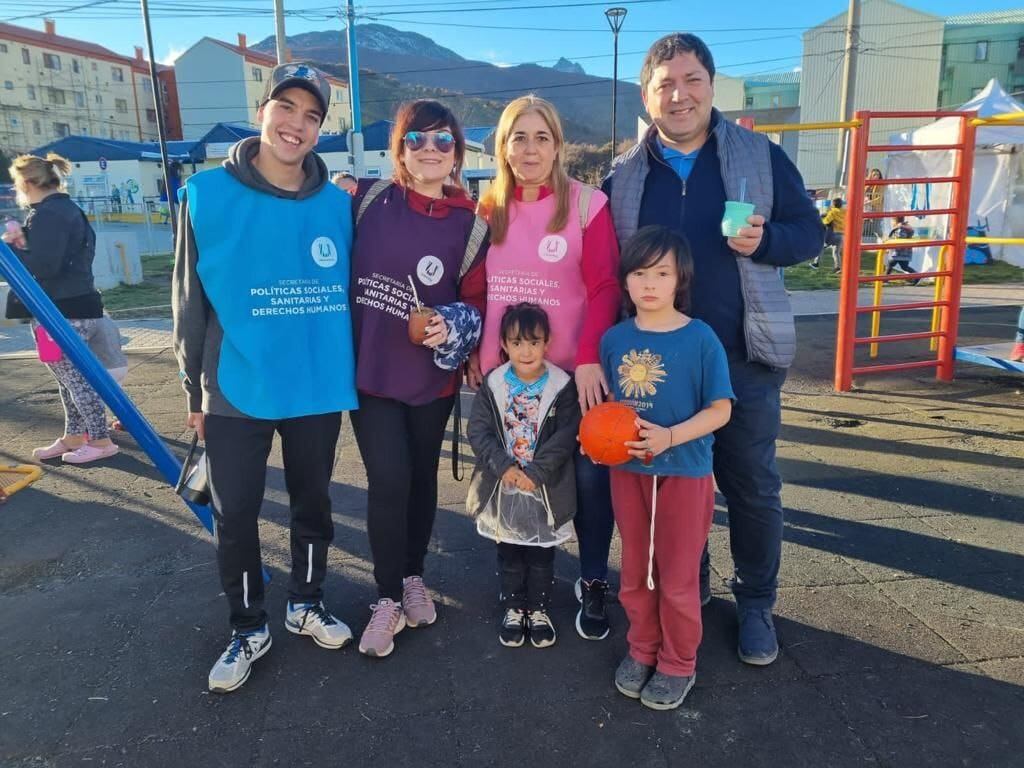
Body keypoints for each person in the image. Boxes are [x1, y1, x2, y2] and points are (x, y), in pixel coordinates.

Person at [603, 33, 823, 666]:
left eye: (692, 79)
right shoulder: (624, 174)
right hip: (659, 365)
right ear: (647, 96)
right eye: (665, 83)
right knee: (674, 486)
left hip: (741, 354)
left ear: (711, 84)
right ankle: (687, 592)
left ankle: (755, 602)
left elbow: (809, 233)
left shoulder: (758, 155)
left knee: (751, 485)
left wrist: (767, 240)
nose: (680, 94)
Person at [172, 62, 358, 693]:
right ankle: (248, 624)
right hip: (234, 386)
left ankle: (306, 601)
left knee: (314, 505)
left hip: (313, 385)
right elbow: (188, 302)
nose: (297, 125)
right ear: (263, 111)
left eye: (312, 117)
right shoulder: (204, 193)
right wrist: (192, 388)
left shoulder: (339, 206)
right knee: (237, 516)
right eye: (287, 108)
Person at [473, 95, 620, 641]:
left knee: (585, 478)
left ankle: (592, 579)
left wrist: (587, 359)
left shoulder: (587, 205)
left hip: (569, 379)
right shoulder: (487, 211)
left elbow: (605, 285)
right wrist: (475, 355)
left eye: (541, 137)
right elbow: (476, 289)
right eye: (518, 137)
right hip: (506, 379)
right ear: (503, 147)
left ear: (558, 145)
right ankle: (520, 591)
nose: (530, 149)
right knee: (514, 478)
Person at [348, 100, 488, 658]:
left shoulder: (472, 222)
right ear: (398, 149)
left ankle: (412, 575)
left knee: (422, 479)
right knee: (388, 479)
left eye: (442, 140)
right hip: (371, 372)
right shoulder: (364, 199)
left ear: (457, 150)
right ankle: (385, 597)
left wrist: (451, 326)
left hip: (431, 378)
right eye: (416, 139)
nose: (429, 149)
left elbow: (477, 302)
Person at [600, 225, 732, 710]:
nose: (650, 283)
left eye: (661, 273)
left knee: (676, 577)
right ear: (626, 281)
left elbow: (721, 409)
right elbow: (614, 409)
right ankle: (643, 649)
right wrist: (601, 436)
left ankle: (678, 662)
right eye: (639, 273)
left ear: (681, 280)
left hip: (686, 472)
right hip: (629, 476)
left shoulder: (701, 339)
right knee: (635, 571)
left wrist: (670, 436)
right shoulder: (614, 339)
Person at [467, 303, 581, 648]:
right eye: (517, 343)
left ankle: (539, 609)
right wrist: (503, 467)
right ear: (504, 344)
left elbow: (567, 434)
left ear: (547, 343)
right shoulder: (495, 383)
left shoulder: (562, 386)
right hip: (504, 486)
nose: (526, 350)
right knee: (510, 553)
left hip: (544, 485)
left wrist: (537, 471)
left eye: (534, 342)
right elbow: (479, 430)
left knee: (542, 554)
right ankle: (515, 607)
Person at [2, 153, 119, 465]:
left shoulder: (49, 214)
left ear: (28, 182)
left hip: (63, 310)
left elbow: (44, 266)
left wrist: (12, 247)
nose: (16, 191)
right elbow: (54, 258)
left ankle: (100, 439)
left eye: (16, 184)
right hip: (75, 305)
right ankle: (74, 435)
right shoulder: (64, 210)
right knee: (67, 377)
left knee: (75, 378)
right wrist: (24, 241)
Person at [811, 198, 845, 273]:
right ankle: (838, 267)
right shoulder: (845, 212)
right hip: (841, 234)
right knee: (836, 252)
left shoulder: (832, 212)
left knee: (821, 247)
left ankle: (816, 263)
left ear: (833, 204)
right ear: (841, 204)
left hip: (832, 234)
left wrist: (822, 218)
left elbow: (826, 221)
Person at [884, 216, 918, 284]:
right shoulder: (905, 227)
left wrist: (891, 240)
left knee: (890, 264)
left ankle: (885, 279)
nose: (891, 223)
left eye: (892, 221)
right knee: (904, 267)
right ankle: (917, 276)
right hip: (905, 252)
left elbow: (900, 238)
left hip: (899, 252)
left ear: (896, 221)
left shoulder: (900, 229)